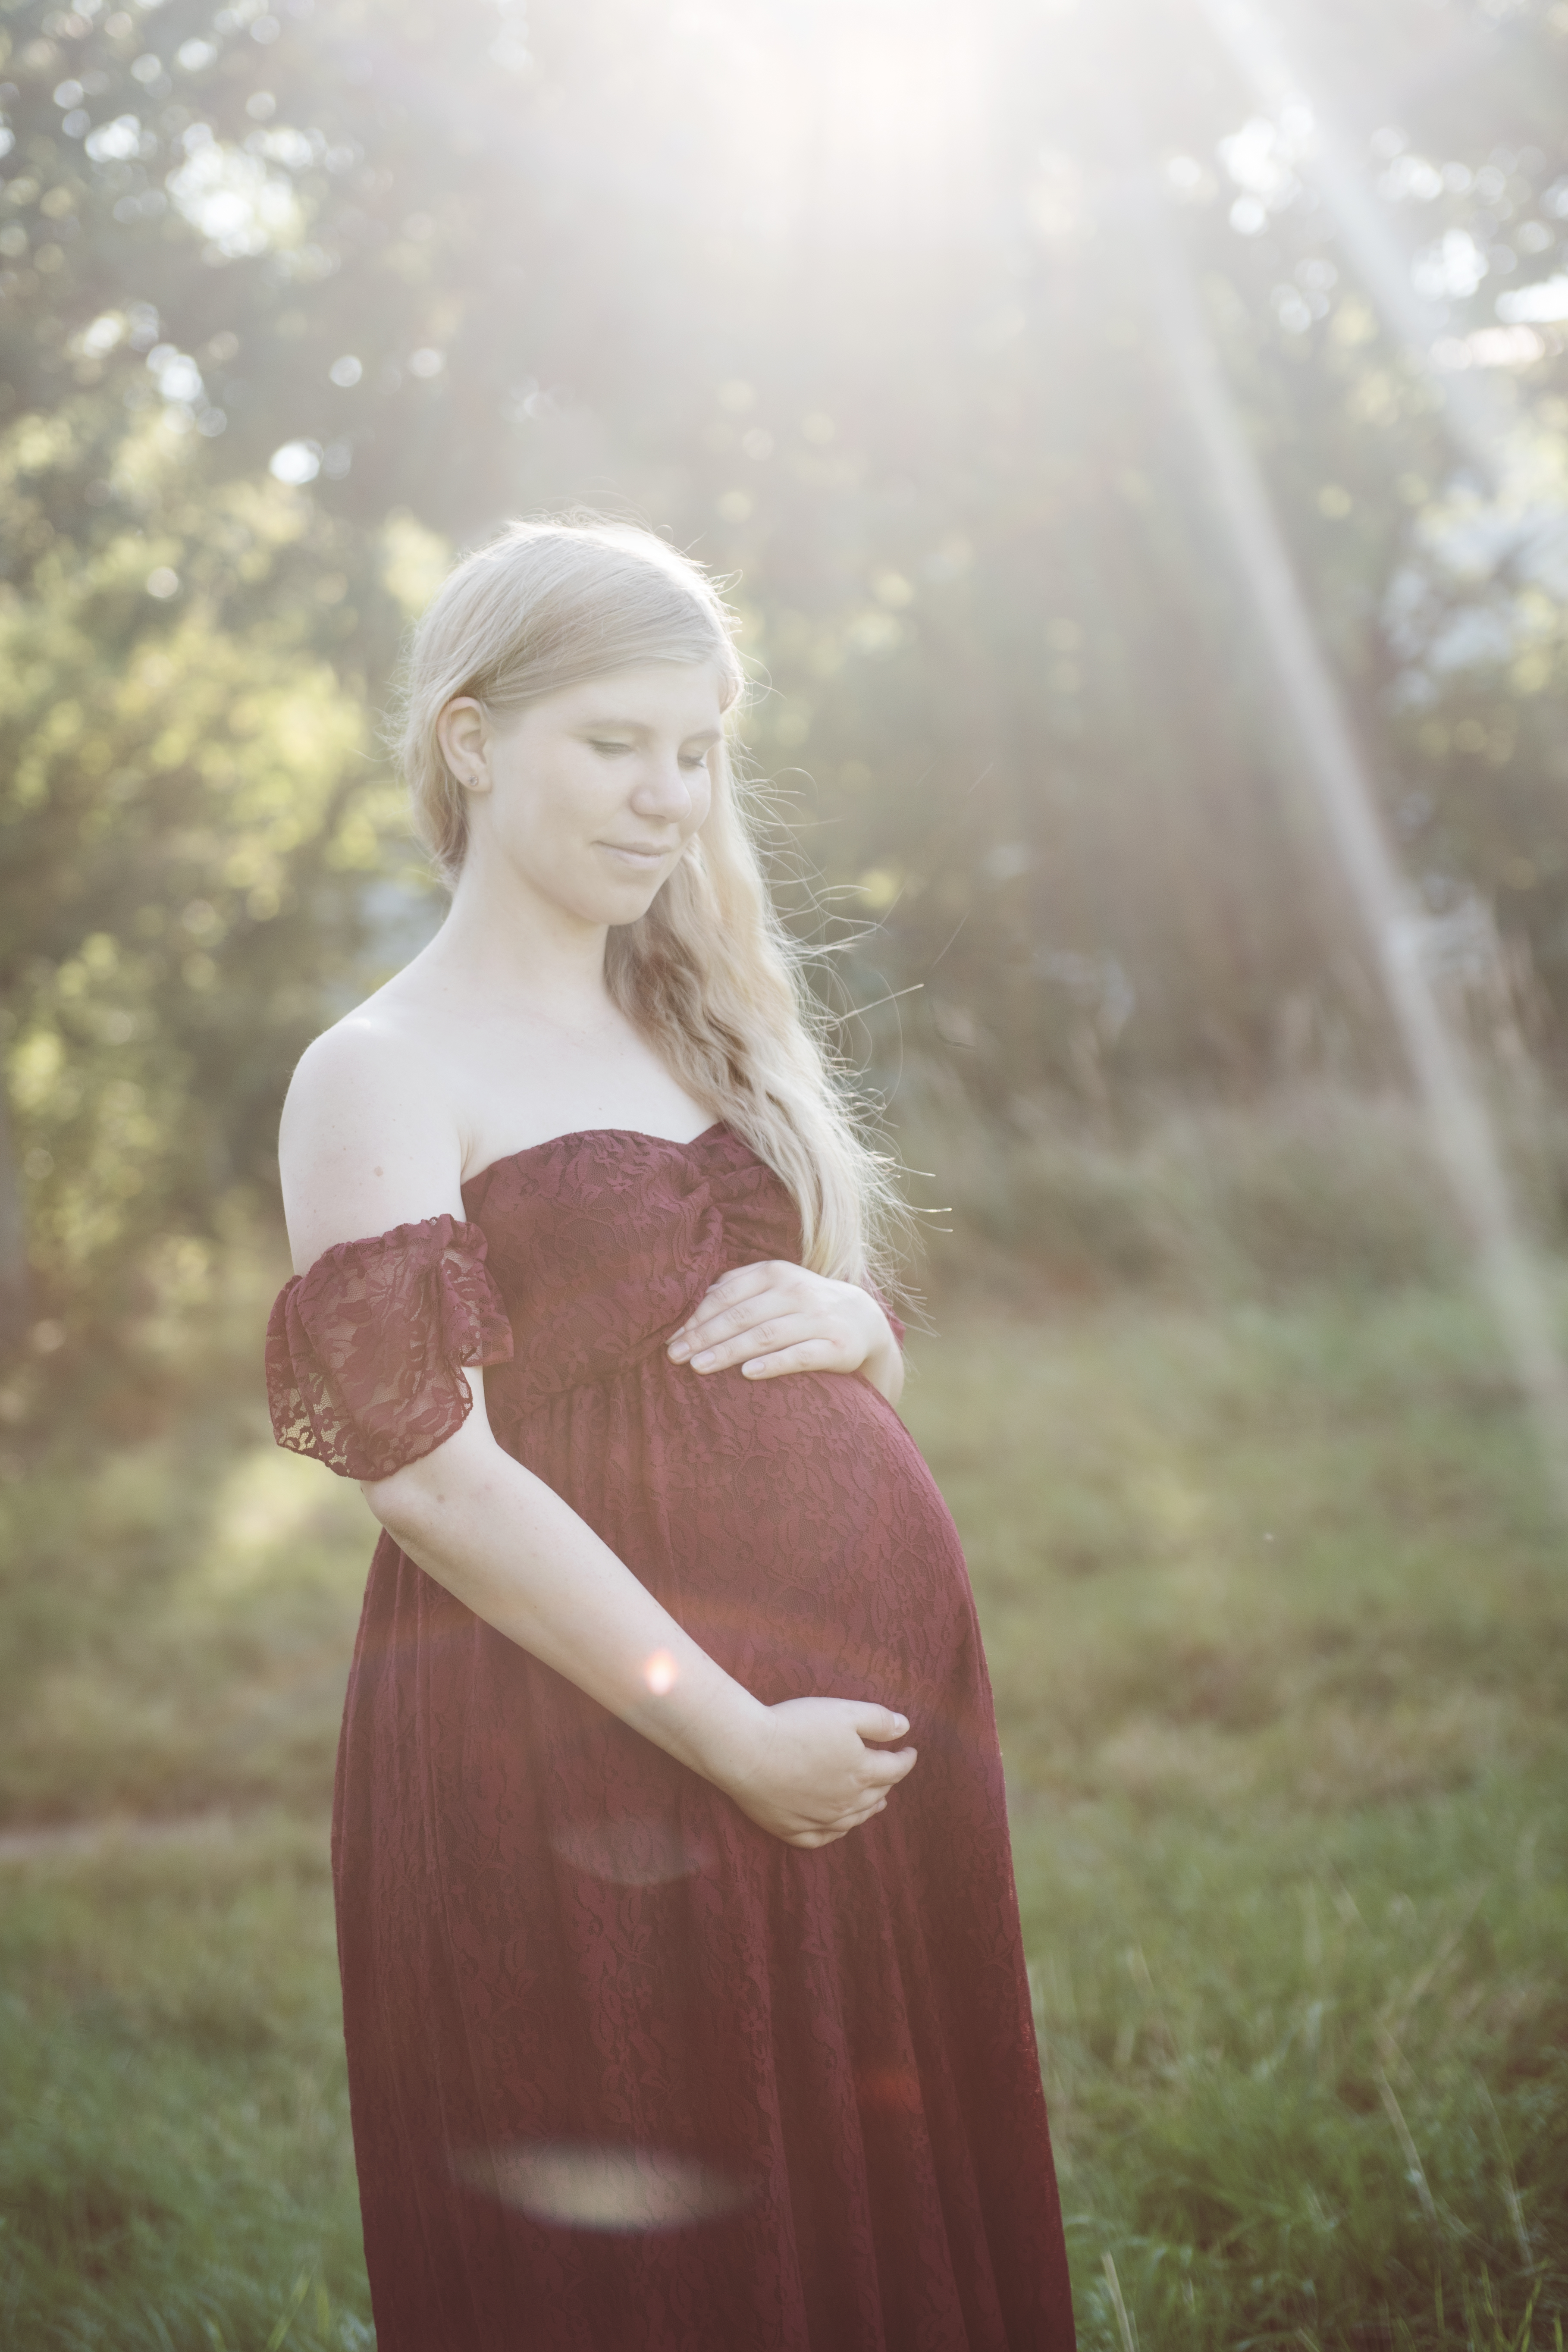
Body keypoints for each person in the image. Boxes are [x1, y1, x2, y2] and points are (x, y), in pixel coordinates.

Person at [266, 517, 1076, 2350]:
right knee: (677, 2255)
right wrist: (733, 1734)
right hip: (594, 1755)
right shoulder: (383, 1067)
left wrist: (861, 1324)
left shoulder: (699, 1009)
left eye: (698, 750)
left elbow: (785, 1331)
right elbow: (428, 1473)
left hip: (844, 1730)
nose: (669, 797)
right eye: (615, 743)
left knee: (878, 2200)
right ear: (471, 739)